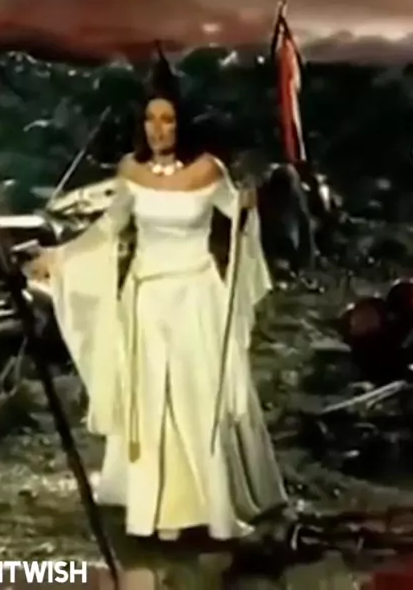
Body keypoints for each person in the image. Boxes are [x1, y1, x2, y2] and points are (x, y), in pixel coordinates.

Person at [30, 48, 287, 542]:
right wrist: (60, 259)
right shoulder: (131, 170)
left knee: (196, 397)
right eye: (150, 120)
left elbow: (236, 215)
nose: (157, 129)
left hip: (196, 298)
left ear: (181, 124)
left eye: (167, 119)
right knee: (153, 402)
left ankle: (209, 505)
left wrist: (251, 203)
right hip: (146, 300)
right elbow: (110, 227)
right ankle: (159, 509)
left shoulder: (208, 170)